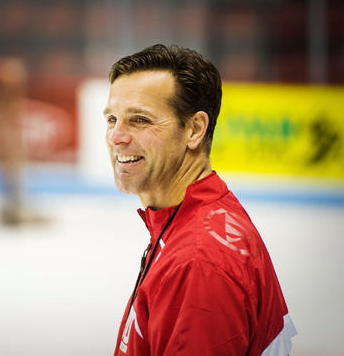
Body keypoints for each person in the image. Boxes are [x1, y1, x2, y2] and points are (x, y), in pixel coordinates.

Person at [104, 44, 296, 356]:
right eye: (112, 119)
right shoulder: (199, 220)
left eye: (139, 120)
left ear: (194, 130)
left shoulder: (198, 263)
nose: (115, 137)